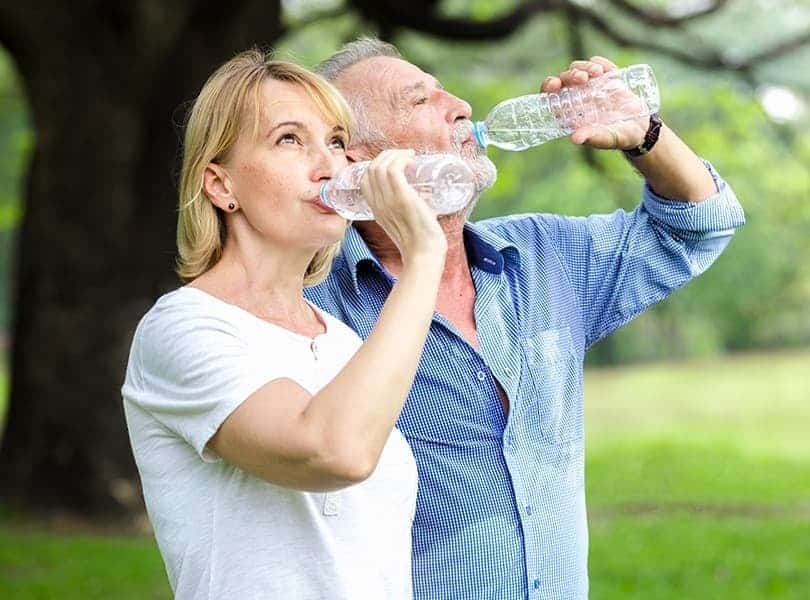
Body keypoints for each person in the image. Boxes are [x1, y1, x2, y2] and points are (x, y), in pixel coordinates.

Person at [308, 38, 746, 599]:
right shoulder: (320, 309)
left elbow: (701, 224)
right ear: (357, 160)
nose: (460, 105)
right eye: (420, 102)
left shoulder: (544, 255)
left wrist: (646, 136)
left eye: (446, 90)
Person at [121, 50, 447, 599]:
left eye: (337, 141)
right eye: (290, 140)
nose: (329, 167)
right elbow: (333, 451)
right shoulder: (180, 330)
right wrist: (422, 258)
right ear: (220, 186)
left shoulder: (341, 341)